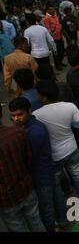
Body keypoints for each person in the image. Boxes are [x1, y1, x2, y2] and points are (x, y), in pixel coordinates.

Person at [33, 80, 79, 222]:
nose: (37, 97)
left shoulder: (37, 114)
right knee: (77, 173)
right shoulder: (70, 106)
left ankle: (63, 217)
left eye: (38, 94)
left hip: (55, 155)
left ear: (44, 97)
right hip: (71, 147)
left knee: (56, 184)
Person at [8, 97, 56, 232]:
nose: (16, 119)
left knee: (46, 212)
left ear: (29, 111)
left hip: (41, 178)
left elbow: (28, 159)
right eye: (13, 116)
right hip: (40, 175)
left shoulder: (34, 132)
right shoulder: (28, 127)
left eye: (19, 115)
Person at [0, 104, 46, 232]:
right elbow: (29, 160)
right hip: (26, 188)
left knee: (17, 227)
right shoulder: (18, 132)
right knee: (36, 221)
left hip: (6, 199)